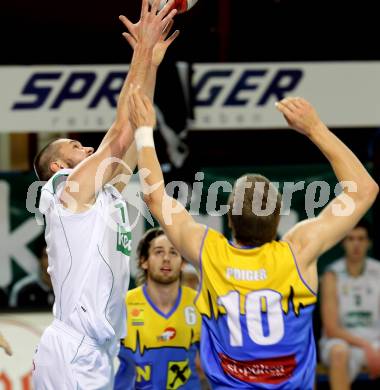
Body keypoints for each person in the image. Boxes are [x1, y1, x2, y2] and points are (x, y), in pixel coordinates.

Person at [127, 91, 378, 389]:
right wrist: (314, 128)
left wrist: (144, 131)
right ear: (279, 221)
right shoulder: (298, 251)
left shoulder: (210, 251)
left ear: (229, 222)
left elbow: (155, 197)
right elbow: (363, 190)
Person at [31, 1, 178, 389]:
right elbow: (120, 134)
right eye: (76, 148)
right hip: (74, 350)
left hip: (100, 349)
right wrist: (141, 51)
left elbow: (138, 120)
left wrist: (151, 66)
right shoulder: (67, 193)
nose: (87, 149)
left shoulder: (104, 194)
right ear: (60, 169)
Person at [114, 227, 202, 389]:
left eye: (174, 252)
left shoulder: (199, 304)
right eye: (159, 252)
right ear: (144, 261)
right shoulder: (122, 305)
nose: (166, 258)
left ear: (182, 263)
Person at [320, 220, 380, 389]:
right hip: (341, 341)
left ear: (369, 243)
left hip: (374, 340)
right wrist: (365, 345)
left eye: (361, 239)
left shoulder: (378, 272)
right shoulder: (331, 275)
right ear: (343, 242)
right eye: (351, 239)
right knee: (339, 353)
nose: (356, 244)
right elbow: (331, 328)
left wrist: (372, 345)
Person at [9, 245, 54, 309]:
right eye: (46, 256)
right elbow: (12, 317)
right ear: (40, 260)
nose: (50, 261)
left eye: (54, 256)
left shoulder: (70, 287)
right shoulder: (21, 289)